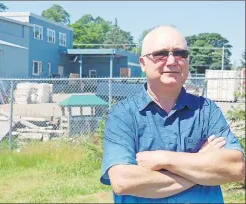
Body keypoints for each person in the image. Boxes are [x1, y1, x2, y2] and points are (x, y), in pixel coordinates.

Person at [100, 26, 245, 203]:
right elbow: (124, 181)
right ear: (143, 63)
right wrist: (201, 165)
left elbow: (235, 168)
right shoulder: (122, 114)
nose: (171, 61)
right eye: (160, 53)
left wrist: (165, 159)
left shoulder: (207, 110)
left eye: (180, 53)